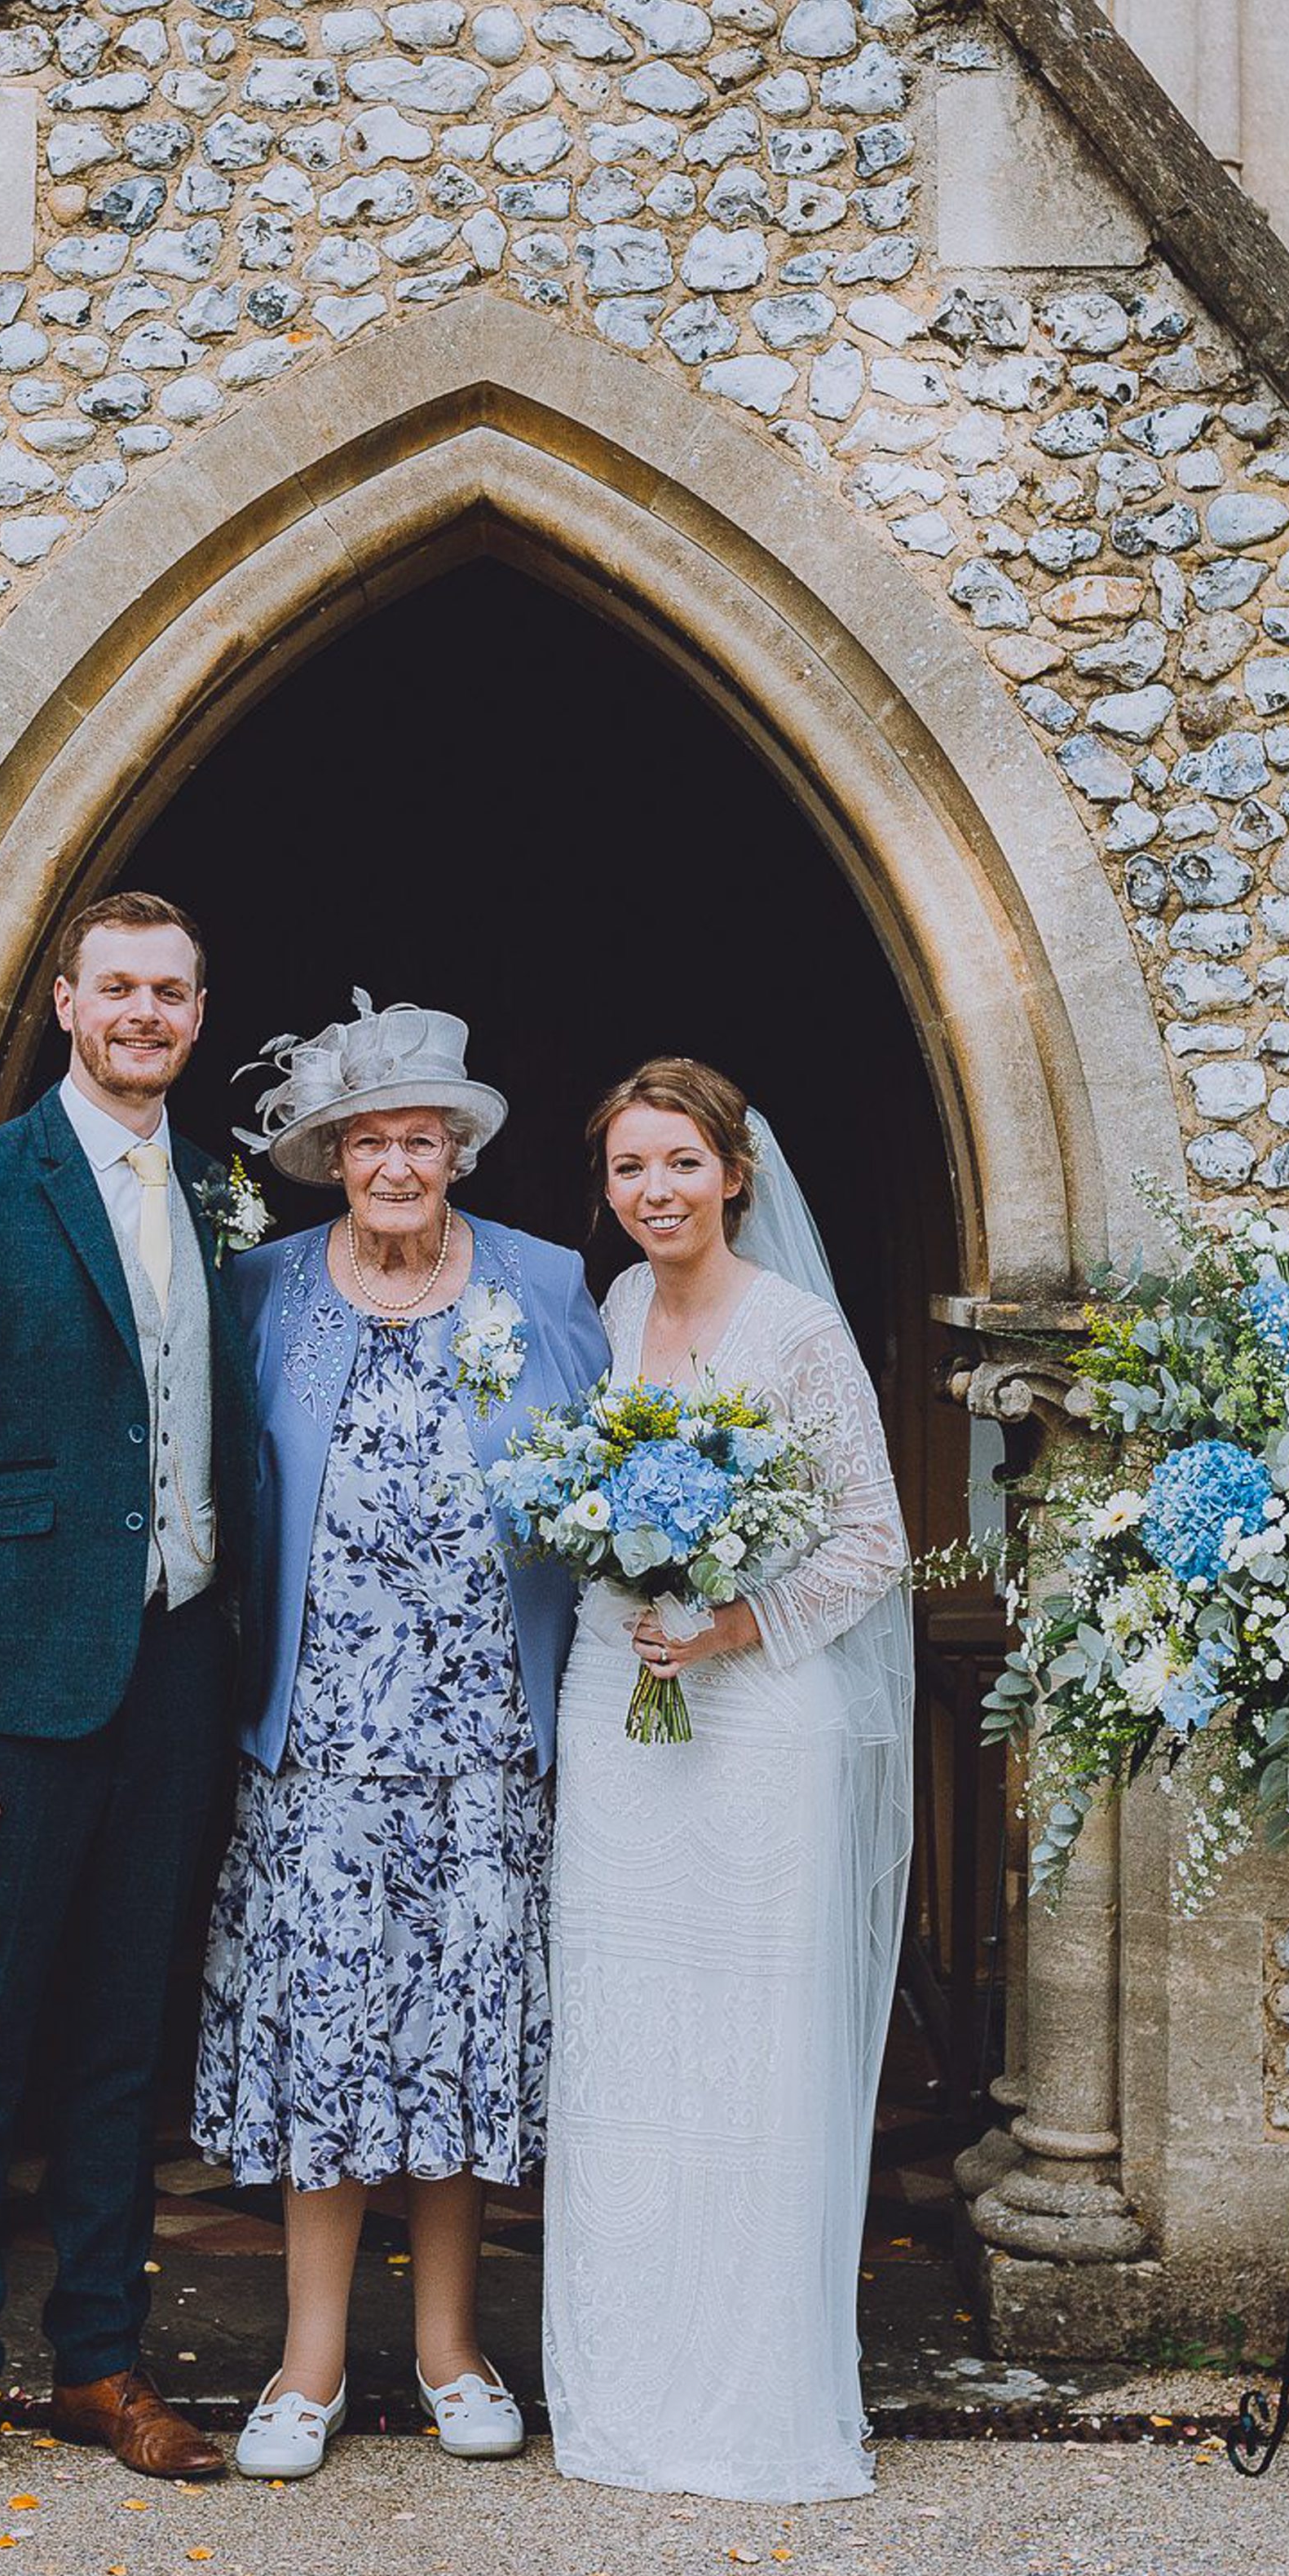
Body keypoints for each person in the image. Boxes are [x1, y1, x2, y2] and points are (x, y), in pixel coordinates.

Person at [0, 891, 258, 2517]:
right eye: (120, 988)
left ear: (198, 1010)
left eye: (172, 988)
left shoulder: (219, 1204)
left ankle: (99, 2359)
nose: (146, 1011)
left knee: (120, 2034)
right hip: (12, 1680)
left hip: (176, 1667)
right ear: (66, 1003)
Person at [193, 1000, 607, 2480]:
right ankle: (305, 2364)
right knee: (327, 2044)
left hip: (487, 1738)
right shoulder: (260, 1291)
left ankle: (449, 2348)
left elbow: (615, 1462)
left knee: (457, 2043)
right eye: (369, 1140)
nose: (397, 1162)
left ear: (457, 1153)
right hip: (314, 1748)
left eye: (422, 1138)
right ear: (330, 1157)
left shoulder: (550, 1281)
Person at [542, 1059, 912, 2503]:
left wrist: (731, 1624)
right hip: (621, 1706)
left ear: (735, 1172)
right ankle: (630, 2384)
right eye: (632, 1168)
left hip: (756, 1719)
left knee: (752, 2052)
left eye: (681, 1163)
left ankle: (752, 2400)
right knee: (630, 2037)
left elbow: (872, 1538)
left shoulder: (800, 1331)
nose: (655, 1192)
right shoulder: (614, 1312)